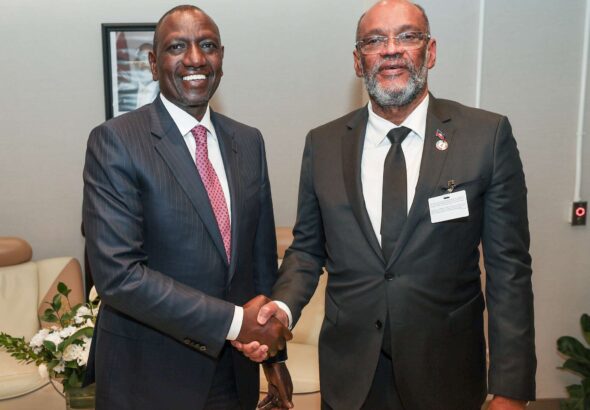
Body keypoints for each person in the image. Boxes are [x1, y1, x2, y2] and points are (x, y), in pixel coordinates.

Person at [236, 1, 536, 409]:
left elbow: (509, 271)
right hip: (351, 376)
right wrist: (282, 309)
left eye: (408, 36)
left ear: (429, 52)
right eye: (375, 40)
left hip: (446, 373)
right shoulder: (322, 145)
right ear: (359, 62)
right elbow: (307, 249)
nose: (391, 49)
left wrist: (511, 390)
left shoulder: (486, 136)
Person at [83, 5, 293, 410]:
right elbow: (118, 277)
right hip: (149, 377)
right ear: (152, 63)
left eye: (208, 46)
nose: (195, 58)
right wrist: (234, 323)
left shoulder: (249, 142)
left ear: (221, 59)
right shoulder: (116, 141)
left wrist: (272, 353)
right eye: (178, 46)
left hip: (235, 374)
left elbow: (260, 261)